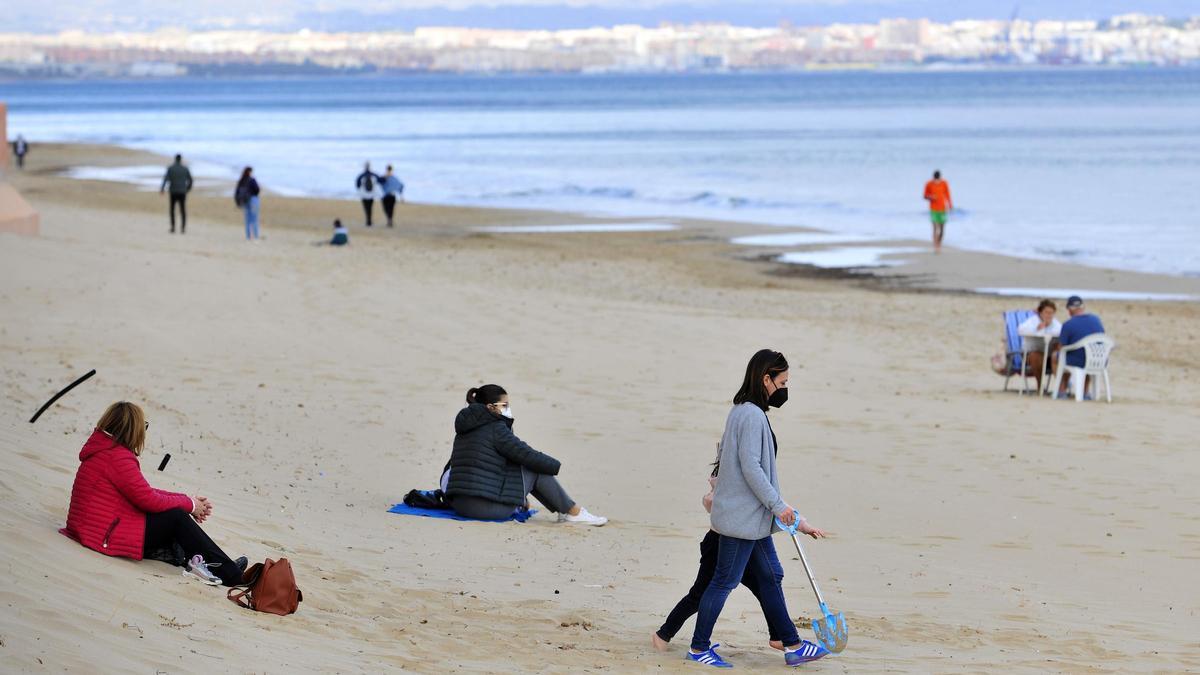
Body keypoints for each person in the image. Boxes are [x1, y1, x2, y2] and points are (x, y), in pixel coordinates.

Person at [686, 349, 829, 668]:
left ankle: (791, 643)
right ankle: (698, 648)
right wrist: (778, 506)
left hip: (751, 518)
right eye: (782, 382)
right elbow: (751, 467)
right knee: (722, 582)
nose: (785, 389)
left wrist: (784, 512)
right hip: (742, 519)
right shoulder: (750, 415)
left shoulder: (742, 411)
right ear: (766, 379)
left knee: (771, 574)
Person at [60, 401, 247, 586]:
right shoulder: (117, 457)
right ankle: (232, 576)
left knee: (172, 516)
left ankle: (204, 562)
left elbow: (143, 491)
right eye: (144, 427)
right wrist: (189, 505)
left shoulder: (103, 449)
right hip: (102, 535)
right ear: (133, 430)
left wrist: (188, 501)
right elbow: (148, 500)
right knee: (177, 518)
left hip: (93, 529)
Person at [652, 457, 787, 654]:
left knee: (765, 586)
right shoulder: (730, 475)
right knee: (700, 594)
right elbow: (712, 502)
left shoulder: (749, 474)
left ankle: (778, 636)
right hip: (719, 543)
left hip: (746, 540)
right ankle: (663, 634)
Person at [446, 384, 607, 525]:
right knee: (534, 467)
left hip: (460, 505)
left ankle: (562, 510)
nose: (508, 408)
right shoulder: (496, 428)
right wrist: (556, 465)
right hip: (482, 510)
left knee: (517, 463)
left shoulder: (464, 429)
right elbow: (526, 454)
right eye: (505, 405)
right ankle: (573, 512)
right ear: (490, 407)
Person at [1056, 295, 1105, 398]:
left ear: (1069, 310)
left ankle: (1062, 390)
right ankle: (1085, 391)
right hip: (1099, 359)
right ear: (1083, 307)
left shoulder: (1068, 324)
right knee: (1085, 355)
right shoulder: (1096, 319)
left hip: (1079, 361)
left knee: (1057, 357)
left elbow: (1061, 347)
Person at [1017, 299, 1062, 393]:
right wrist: (1036, 329)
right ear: (1040, 312)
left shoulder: (1056, 324)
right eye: (1046, 312)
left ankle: (1062, 387)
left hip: (1049, 355)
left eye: (1051, 313)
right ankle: (1040, 385)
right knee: (1036, 355)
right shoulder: (1032, 321)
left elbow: (1062, 333)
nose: (1049, 315)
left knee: (1059, 348)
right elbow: (1020, 330)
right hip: (1030, 354)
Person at [160, 154, 193, 234]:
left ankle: (173, 227)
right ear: (180, 159)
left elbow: (165, 179)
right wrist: (187, 189)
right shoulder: (185, 169)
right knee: (183, 210)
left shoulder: (170, 168)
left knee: (172, 210)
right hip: (182, 192)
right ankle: (183, 228)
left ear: (175, 159)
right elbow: (191, 180)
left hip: (173, 191)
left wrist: (162, 189)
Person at [923, 170, 953, 253]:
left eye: (938, 180)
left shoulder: (944, 183)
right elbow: (925, 195)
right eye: (935, 180)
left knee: (942, 228)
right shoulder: (929, 184)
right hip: (933, 209)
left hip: (943, 209)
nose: (936, 181)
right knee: (935, 227)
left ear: (940, 178)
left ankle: (939, 243)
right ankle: (936, 246)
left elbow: (947, 194)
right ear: (933, 178)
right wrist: (931, 197)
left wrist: (950, 205)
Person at [235, 167, 261, 241]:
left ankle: (248, 236)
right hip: (253, 199)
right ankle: (256, 236)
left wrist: (238, 202)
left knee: (248, 219)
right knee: (254, 218)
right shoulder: (252, 180)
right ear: (250, 172)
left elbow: (237, 192)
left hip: (245, 201)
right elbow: (257, 189)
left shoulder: (241, 180)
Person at [355, 163, 382, 227]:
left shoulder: (361, 175)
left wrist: (361, 190)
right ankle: (369, 220)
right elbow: (380, 180)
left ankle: (368, 220)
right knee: (370, 208)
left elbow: (357, 184)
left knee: (366, 208)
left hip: (364, 195)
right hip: (371, 195)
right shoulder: (373, 174)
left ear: (365, 167)